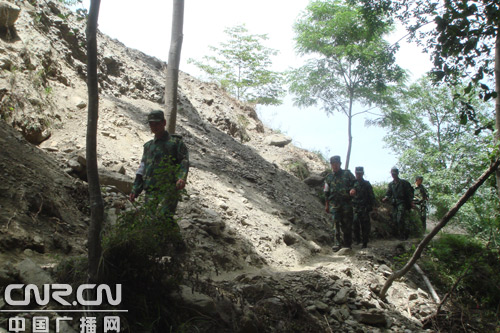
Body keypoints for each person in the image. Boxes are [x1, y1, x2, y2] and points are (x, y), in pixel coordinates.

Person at [129, 110, 189, 221]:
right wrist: (135, 189)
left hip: (168, 189)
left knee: (164, 219)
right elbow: (142, 169)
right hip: (151, 190)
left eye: (157, 123)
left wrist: (181, 177)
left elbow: (184, 161)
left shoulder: (175, 143)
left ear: (164, 123)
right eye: (151, 124)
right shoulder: (148, 146)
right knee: (148, 219)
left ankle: (171, 238)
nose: (154, 126)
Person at [324, 155, 356, 251]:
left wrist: (353, 188)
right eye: (333, 164)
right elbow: (326, 192)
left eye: (337, 164)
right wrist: (327, 205)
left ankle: (347, 243)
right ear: (331, 165)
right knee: (335, 224)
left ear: (340, 164)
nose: (335, 166)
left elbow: (355, 183)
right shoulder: (328, 177)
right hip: (334, 204)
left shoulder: (347, 174)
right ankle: (337, 244)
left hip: (346, 204)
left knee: (347, 224)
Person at [382, 167, 414, 240]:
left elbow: (409, 193)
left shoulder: (404, 183)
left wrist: (411, 202)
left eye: (394, 174)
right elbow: (388, 193)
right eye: (392, 174)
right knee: (395, 219)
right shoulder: (391, 184)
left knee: (400, 218)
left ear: (397, 174)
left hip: (402, 202)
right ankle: (399, 234)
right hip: (395, 203)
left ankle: (403, 235)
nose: (393, 175)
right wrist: (385, 198)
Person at [351, 166, 375, 248]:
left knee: (365, 226)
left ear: (363, 174)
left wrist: (372, 207)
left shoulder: (366, 184)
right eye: (357, 173)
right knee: (355, 223)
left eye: (360, 173)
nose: (358, 175)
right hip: (356, 207)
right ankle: (357, 240)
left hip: (364, 208)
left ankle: (365, 242)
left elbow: (371, 196)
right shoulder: (353, 183)